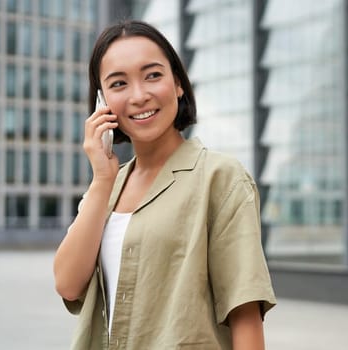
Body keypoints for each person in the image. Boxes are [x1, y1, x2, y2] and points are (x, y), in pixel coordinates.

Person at [53, 20, 276, 350]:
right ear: (102, 102)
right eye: (118, 84)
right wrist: (101, 179)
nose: (139, 95)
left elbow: (244, 312)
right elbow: (68, 284)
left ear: (178, 83)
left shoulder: (220, 177)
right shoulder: (107, 186)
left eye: (153, 75)